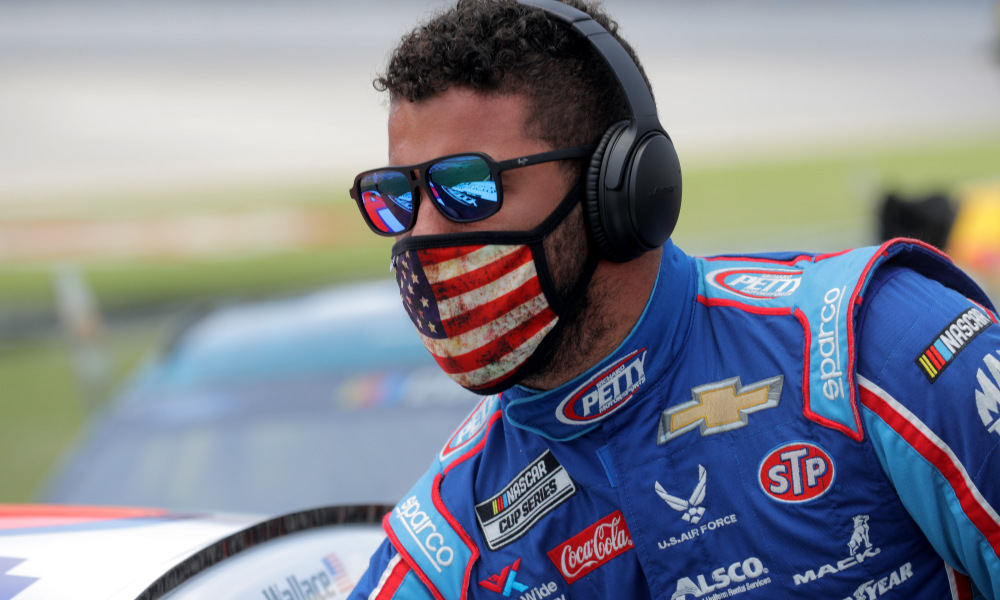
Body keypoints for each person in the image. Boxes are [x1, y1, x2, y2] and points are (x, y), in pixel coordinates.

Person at [345, 1, 1000, 598]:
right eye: (395, 197)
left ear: (620, 191)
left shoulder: (873, 347)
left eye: (466, 187)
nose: (421, 235)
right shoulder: (450, 541)